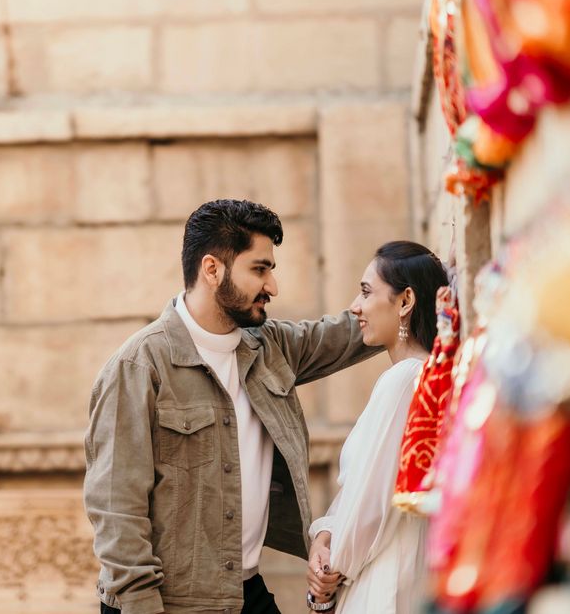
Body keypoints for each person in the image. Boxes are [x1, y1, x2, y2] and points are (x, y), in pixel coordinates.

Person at [83, 199, 380, 614]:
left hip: (244, 592)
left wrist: (417, 288)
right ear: (212, 270)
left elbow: (351, 333)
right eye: (260, 269)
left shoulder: (269, 347)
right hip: (166, 604)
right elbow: (116, 508)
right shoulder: (139, 366)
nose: (272, 286)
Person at [305, 241, 448, 613]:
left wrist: (328, 574)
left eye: (367, 292)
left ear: (405, 302)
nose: (355, 306)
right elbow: (357, 492)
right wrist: (325, 534)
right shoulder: (419, 375)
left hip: (385, 577)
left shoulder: (403, 380)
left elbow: (370, 504)